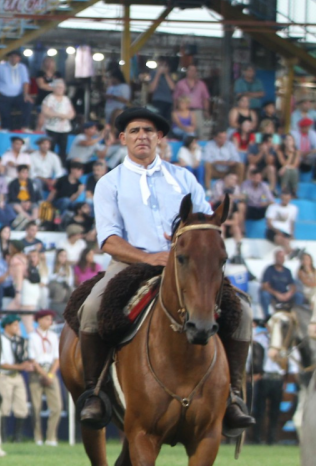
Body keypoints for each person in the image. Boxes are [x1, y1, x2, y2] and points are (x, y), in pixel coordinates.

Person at [77, 107, 254, 434]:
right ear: (122, 139)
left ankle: (233, 396)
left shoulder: (184, 178)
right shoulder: (109, 183)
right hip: (129, 263)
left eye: (149, 130)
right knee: (90, 310)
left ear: (160, 138)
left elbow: (205, 226)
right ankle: (96, 392)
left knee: (241, 310)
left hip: (186, 267)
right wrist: (149, 257)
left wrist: (180, 255)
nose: (142, 135)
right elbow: (109, 240)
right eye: (134, 131)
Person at [26, 309, 62, 445]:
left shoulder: (53, 336)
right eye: (47, 319)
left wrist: (51, 374)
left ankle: (51, 437)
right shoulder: (32, 337)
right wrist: (43, 374)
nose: (50, 322)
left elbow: (57, 358)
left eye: (51, 319)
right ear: (39, 320)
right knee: (36, 407)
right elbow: (32, 359)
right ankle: (38, 437)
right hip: (37, 372)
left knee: (57, 406)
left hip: (50, 371)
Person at [0, 314, 32, 441]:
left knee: (21, 406)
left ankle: (17, 437)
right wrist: (21, 367)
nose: (17, 327)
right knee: (4, 406)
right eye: (15, 325)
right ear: (7, 325)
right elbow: (1, 363)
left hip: (17, 376)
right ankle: (3, 436)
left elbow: (24, 356)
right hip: (3, 376)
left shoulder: (19, 340)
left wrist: (25, 365)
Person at [0, 50, 32, 130]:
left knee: (28, 103)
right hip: (3, 95)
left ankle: (24, 126)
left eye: (16, 56)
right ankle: (6, 128)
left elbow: (25, 82)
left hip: (18, 95)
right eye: (12, 56)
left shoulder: (22, 67)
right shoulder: (1, 67)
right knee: (4, 111)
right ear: (9, 58)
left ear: (19, 58)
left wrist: (26, 94)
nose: (13, 58)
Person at [261, 248, 302, 314]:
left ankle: (296, 316)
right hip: (273, 294)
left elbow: (293, 285)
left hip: (284, 293)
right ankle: (266, 317)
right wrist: (277, 294)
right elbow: (265, 286)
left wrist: (289, 294)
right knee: (264, 294)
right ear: (275, 258)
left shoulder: (287, 271)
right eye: (279, 257)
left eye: (282, 257)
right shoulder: (269, 269)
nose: (281, 259)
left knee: (299, 296)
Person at [41, 79, 74, 160]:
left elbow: (72, 113)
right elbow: (45, 111)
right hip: (52, 128)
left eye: (62, 88)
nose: (60, 89)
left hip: (64, 129)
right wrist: (58, 115)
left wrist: (66, 116)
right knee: (51, 148)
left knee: (63, 150)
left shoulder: (66, 99)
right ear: (54, 88)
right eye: (58, 87)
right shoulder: (49, 98)